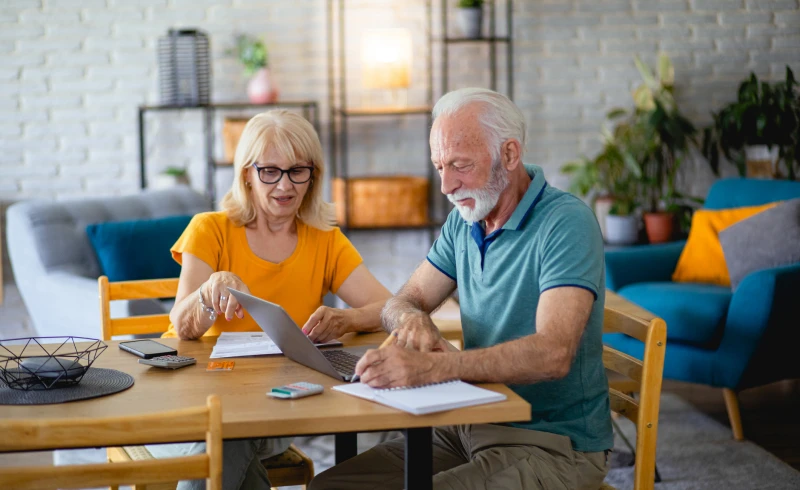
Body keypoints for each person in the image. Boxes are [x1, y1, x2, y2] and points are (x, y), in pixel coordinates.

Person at [310, 88, 613, 490]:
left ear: (509, 155)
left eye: (460, 165)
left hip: (551, 442)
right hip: (472, 420)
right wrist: (413, 320)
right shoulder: (465, 220)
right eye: (439, 167)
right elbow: (407, 299)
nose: (446, 186)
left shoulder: (566, 223)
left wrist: (434, 367)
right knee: (329, 487)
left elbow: (554, 353)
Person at [147, 110, 392, 490]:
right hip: (190, 397)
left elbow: (388, 308)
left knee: (232, 434)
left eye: (298, 170)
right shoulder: (211, 229)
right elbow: (183, 326)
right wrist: (210, 290)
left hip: (272, 403)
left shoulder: (324, 239)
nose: (285, 185)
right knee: (228, 436)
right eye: (270, 171)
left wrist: (348, 319)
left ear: (313, 174)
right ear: (247, 173)